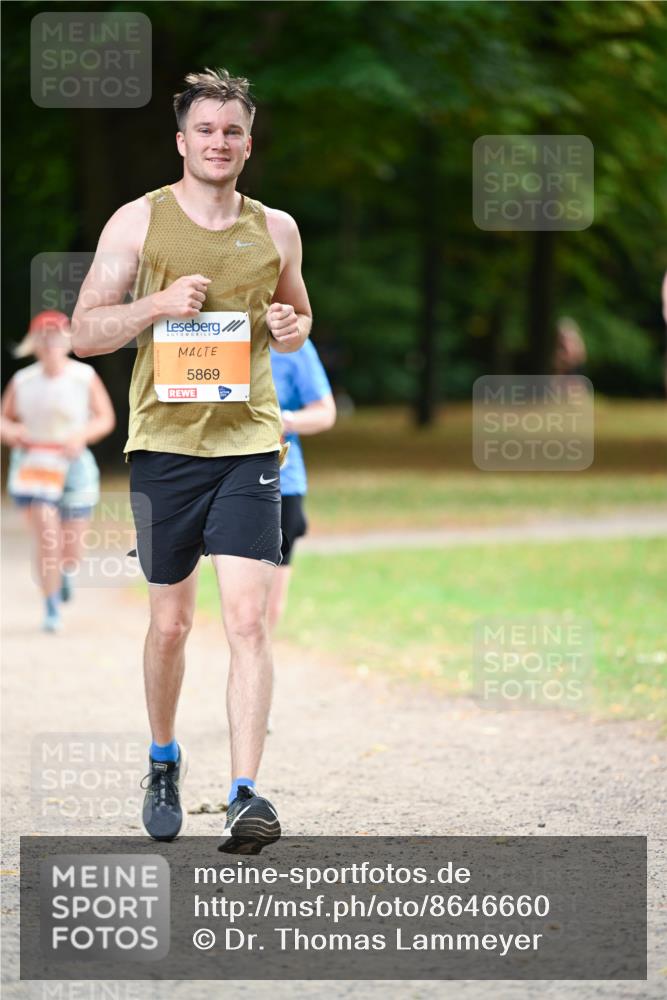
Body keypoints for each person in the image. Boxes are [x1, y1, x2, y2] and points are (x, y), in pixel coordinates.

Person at [71, 68, 313, 853]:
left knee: (246, 618)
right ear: (182, 141)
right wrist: (154, 306)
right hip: (165, 449)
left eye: (233, 131)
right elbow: (85, 332)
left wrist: (289, 327)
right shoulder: (137, 224)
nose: (219, 142)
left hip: (249, 442)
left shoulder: (275, 227)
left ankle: (247, 795)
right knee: (170, 625)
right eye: (205, 130)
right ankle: (164, 759)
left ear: (249, 142)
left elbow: (300, 315)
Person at [0, 310, 115, 632]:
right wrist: (13, 433)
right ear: (34, 343)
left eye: (56, 335)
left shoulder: (84, 376)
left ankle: (65, 573)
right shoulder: (23, 381)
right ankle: (50, 607)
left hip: (74, 468)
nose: (50, 342)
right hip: (36, 466)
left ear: (67, 340)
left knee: (71, 547)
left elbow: (105, 418)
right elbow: (4, 419)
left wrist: (82, 436)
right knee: (48, 538)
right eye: (44, 336)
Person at [268, 340, 336, 632]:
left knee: (264, 610)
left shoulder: (291, 343)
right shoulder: (204, 329)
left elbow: (325, 412)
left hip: (281, 485)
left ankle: (254, 671)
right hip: (211, 479)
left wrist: (285, 420)